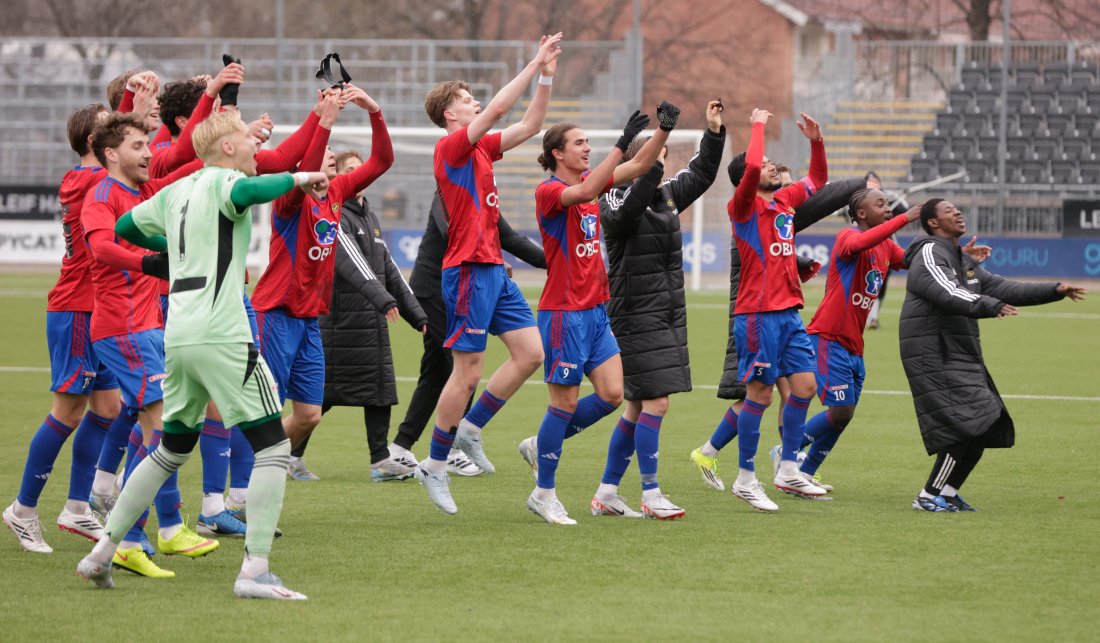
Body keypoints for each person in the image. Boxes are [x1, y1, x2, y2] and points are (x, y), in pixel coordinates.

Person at [76, 110, 328, 599]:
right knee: (275, 448)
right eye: (247, 141)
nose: (256, 149)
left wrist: (177, 251)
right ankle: (255, 570)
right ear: (228, 149)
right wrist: (299, 176)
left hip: (180, 333)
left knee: (170, 448)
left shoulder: (176, 190)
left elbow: (126, 226)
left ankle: (102, 553)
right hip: (222, 331)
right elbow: (246, 193)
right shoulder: (224, 181)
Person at [414, 34, 563, 515]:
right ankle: (436, 465)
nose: (473, 101)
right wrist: (532, 59)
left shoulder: (480, 152)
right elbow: (498, 110)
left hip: (494, 269)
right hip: (466, 271)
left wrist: (545, 75)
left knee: (531, 352)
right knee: (468, 371)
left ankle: (472, 428)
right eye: (464, 99)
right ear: (450, 116)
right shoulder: (451, 149)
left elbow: (532, 123)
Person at [522, 104, 675, 525]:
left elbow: (643, 164)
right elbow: (587, 192)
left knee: (611, 394)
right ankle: (544, 493)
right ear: (557, 153)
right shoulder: (550, 191)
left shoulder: (592, 182)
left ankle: (542, 443)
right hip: (563, 314)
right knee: (564, 403)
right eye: (579, 143)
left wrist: (664, 130)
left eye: (590, 142)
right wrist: (620, 143)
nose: (587, 148)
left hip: (595, 313)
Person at [80, 113, 215, 577]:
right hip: (122, 328)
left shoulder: (139, 193)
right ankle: (134, 536)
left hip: (148, 326)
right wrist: (153, 262)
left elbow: (177, 177)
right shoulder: (100, 195)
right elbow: (101, 248)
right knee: (164, 430)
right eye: (139, 145)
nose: (148, 152)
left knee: (161, 427)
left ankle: (155, 523)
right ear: (113, 153)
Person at [577, 100, 724, 521]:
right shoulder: (610, 196)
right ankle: (651, 491)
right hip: (633, 311)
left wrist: (713, 133)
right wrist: (652, 169)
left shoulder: (666, 195)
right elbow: (623, 220)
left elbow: (701, 174)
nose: (663, 165)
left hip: (664, 311)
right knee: (656, 403)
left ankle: (606, 492)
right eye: (658, 157)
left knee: (639, 406)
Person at [900, 199, 1085, 512]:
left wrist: (1053, 290)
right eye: (948, 210)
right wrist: (989, 305)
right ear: (933, 223)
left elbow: (1006, 288)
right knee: (968, 422)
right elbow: (947, 292)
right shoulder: (930, 252)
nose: (957, 212)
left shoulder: (963, 260)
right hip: (934, 353)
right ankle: (928, 496)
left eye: (957, 209)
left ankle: (946, 492)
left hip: (958, 353)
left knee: (986, 421)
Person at [250, 84, 393, 480]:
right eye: (326, 150)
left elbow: (383, 160)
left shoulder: (337, 193)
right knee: (266, 408)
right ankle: (243, 482)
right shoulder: (290, 199)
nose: (330, 154)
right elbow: (306, 169)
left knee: (310, 415)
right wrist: (323, 124)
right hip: (277, 312)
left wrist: (373, 110)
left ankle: (250, 464)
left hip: (310, 317)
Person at [691, 172, 865, 492]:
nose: (786, 191)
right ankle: (766, 463)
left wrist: (800, 265)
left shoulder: (777, 216)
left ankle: (778, 463)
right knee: (763, 396)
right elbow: (767, 260)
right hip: (755, 318)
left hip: (778, 315)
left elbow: (782, 249)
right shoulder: (748, 216)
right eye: (781, 181)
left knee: (789, 391)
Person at [2, 104, 119, 554]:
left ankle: (75, 506)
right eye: (113, 126)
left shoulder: (100, 179)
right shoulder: (83, 180)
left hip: (102, 311)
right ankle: (23, 510)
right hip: (76, 311)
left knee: (107, 406)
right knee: (68, 410)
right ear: (95, 143)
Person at [705, 108, 829, 513]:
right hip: (757, 315)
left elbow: (817, 181)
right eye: (767, 165)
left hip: (789, 313)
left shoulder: (783, 201)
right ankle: (745, 478)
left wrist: (816, 142)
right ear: (748, 179)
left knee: (807, 388)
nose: (774, 167)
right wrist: (756, 123)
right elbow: (754, 161)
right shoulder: (742, 207)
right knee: (758, 394)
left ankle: (789, 468)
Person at [391, 195, 545, 476]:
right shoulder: (447, 194)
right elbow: (453, 231)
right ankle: (450, 450)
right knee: (462, 367)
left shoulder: (482, 198)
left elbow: (510, 237)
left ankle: (401, 447)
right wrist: (492, 258)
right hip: (436, 290)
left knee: (437, 371)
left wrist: (557, 264)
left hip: (458, 291)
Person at [785, 188, 921, 491]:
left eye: (889, 204)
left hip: (853, 344)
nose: (888, 208)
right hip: (827, 336)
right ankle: (786, 453)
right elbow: (862, 242)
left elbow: (912, 260)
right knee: (841, 410)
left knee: (842, 416)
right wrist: (903, 219)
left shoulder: (885, 246)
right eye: (881, 204)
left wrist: (956, 253)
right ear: (861, 213)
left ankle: (805, 473)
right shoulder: (848, 236)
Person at [313, 150, 428, 482]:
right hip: (342, 321)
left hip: (371, 319)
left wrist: (417, 315)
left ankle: (380, 461)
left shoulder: (369, 217)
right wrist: (383, 299)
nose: (356, 174)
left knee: (379, 388)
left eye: (358, 169)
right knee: (324, 395)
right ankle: (290, 454)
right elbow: (353, 266)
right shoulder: (336, 216)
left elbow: (388, 269)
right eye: (348, 170)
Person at [863, 171, 911, 330]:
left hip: (886, 246)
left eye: (875, 181)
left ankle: (874, 317)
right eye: (870, 182)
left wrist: (893, 197)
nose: (873, 184)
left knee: (880, 283)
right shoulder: (858, 200)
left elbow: (904, 208)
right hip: (863, 245)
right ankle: (864, 316)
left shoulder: (888, 200)